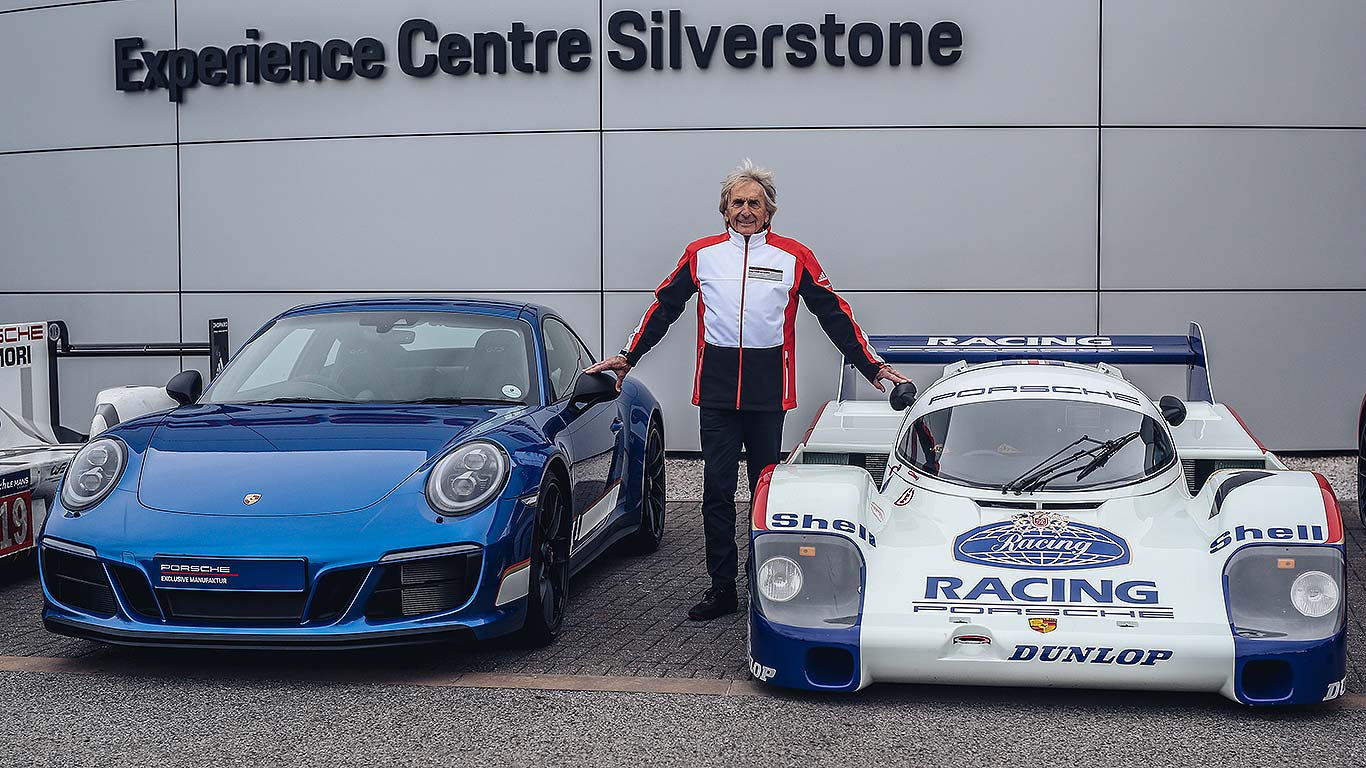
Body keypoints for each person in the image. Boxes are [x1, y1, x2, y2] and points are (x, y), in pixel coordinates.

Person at [586, 159, 909, 620]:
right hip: (716, 394)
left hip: (767, 395)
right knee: (716, 492)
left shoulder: (794, 256)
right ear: (724, 210)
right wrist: (627, 357)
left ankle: (767, 587)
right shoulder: (702, 254)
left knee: (766, 495)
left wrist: (875, 369)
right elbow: (664, 308)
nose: (745, 210)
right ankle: (722, 588)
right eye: (737, 202)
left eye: (754, 202)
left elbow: (834, 315)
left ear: (769, 210)